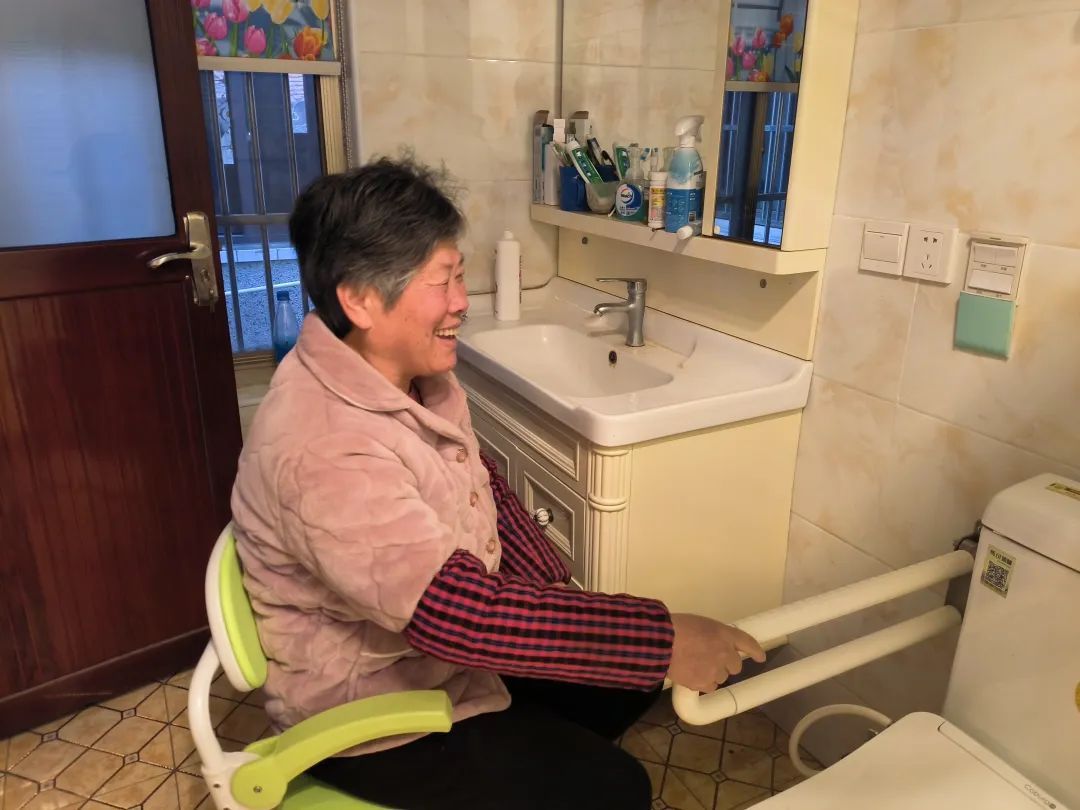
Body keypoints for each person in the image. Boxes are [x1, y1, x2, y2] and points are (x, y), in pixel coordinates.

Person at [230, 156, 766, 810]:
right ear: (360, 299)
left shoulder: (404, 379)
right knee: (616, 787)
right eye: (442, 281)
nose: (462, 301)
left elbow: (478, 480)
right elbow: (453, 612)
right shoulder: (323, 445)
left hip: (437, 662)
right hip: (371, 713)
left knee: (623, 684)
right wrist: (665, 638)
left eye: (460, 275)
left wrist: (554, 589)